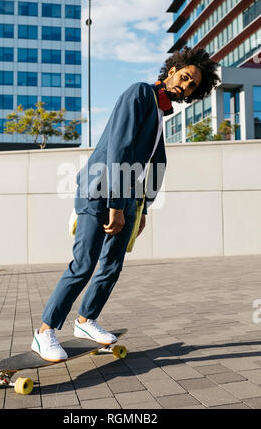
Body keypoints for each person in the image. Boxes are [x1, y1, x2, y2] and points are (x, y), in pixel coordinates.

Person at [31, 46, 220, 361]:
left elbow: (157, 162)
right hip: (99, 191)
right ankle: (44, 331)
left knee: (112, 265)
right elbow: (119, 149)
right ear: (172, 70)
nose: (184, 87)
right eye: (185, 78)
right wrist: (117, 206)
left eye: (191, 87)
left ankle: (85, 320)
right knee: (84, 264)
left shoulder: (160, 112)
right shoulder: (140, 94)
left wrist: (143, 207)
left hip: (127, 198)